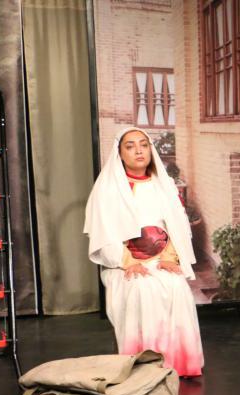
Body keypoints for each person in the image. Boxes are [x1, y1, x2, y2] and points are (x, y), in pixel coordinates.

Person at [84, 127, 204, 377]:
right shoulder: (109, 189)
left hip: (161, 258)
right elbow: (104, 231)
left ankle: (179, 362)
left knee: (176, 285)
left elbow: (176, 225)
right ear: (119, 153)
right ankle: (145, 366)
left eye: (144, 145)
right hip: (124, 262)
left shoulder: (164, 185)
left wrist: (169, 256)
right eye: (130, 146)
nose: (138, 151)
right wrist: (128, 261)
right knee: (143, 288)